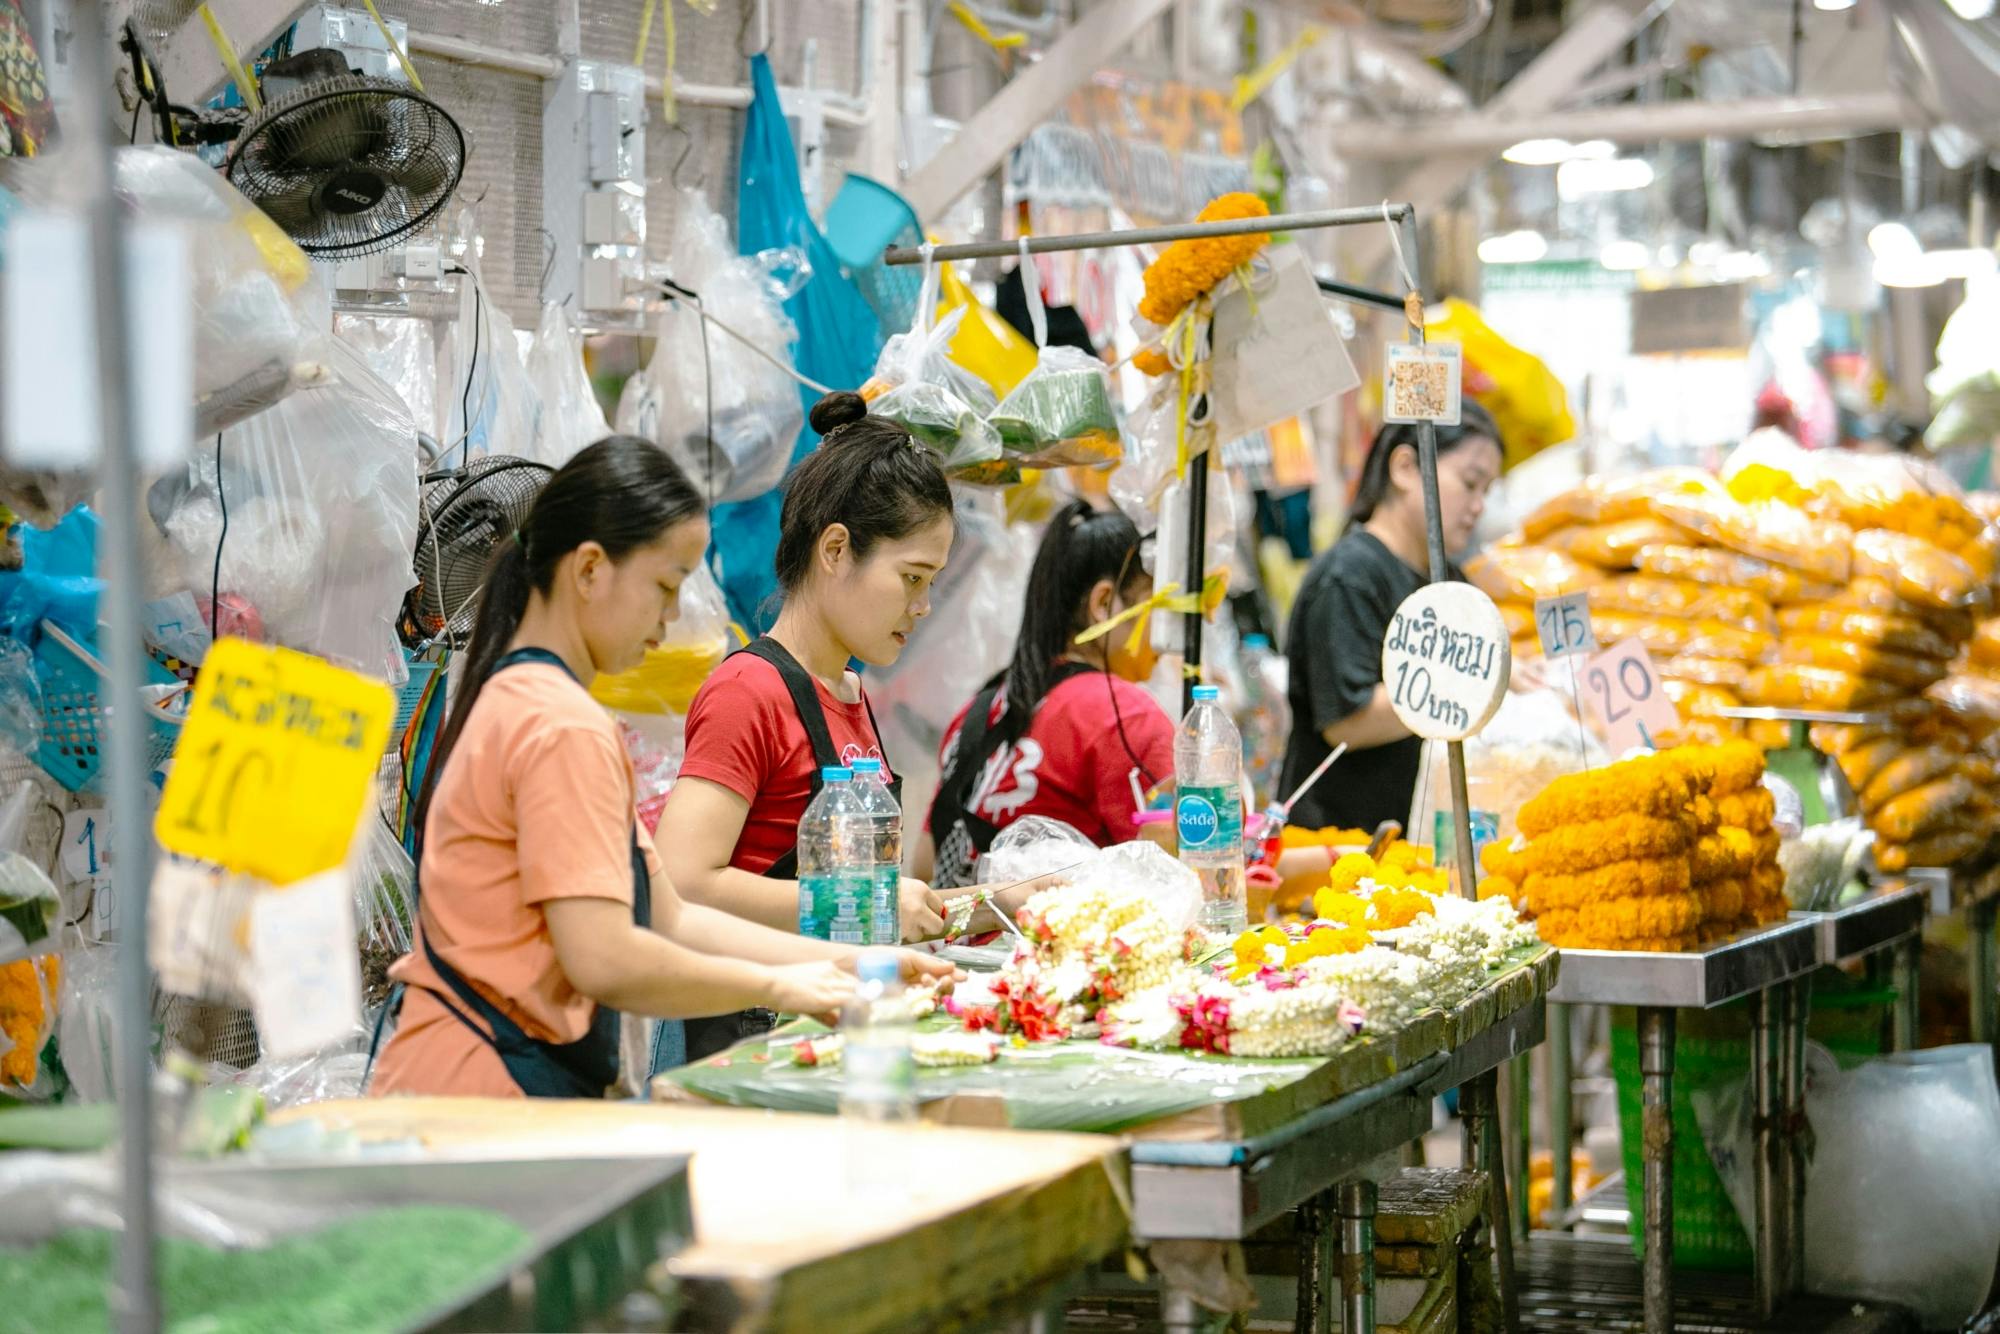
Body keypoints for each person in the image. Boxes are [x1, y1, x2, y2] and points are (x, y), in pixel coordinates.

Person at [369, 437, 951, 1100]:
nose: (672, 618)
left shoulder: (532, 699)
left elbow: (670, 914)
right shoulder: (557, 722)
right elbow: (607, 957)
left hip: (485, 1081)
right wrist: (785, 985)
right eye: (665, 586)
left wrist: (855, 963)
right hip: (477, 1092)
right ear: (590, 570)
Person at [658, 393, 957, 1045]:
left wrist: (1003, 903)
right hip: (753, 1043)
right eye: (911, 578)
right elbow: (681, 883)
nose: (925, 605)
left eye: (932, 581)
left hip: (833, 1030)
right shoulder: (748, 690)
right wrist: (873, 904)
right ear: (836, 550)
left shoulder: (849, 691)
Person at [916, 499, 1176, 889]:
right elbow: (1175, 877)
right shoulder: (1125, 714)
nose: (1165, 631)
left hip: (949, 947)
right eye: (1158, 606)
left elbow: (923, 869)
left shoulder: (982, 707)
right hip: (1054, 945)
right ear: (1104, 603)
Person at [1277, 403, 1504, 837]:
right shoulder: (1349, 576)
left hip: (1415, 838)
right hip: (1340, 848)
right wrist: (1475, 683)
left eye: (1487, 492)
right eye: (1470, 483)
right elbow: (1349, 720)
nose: (1478, 506)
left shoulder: (1450, 580)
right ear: (1404, 468)